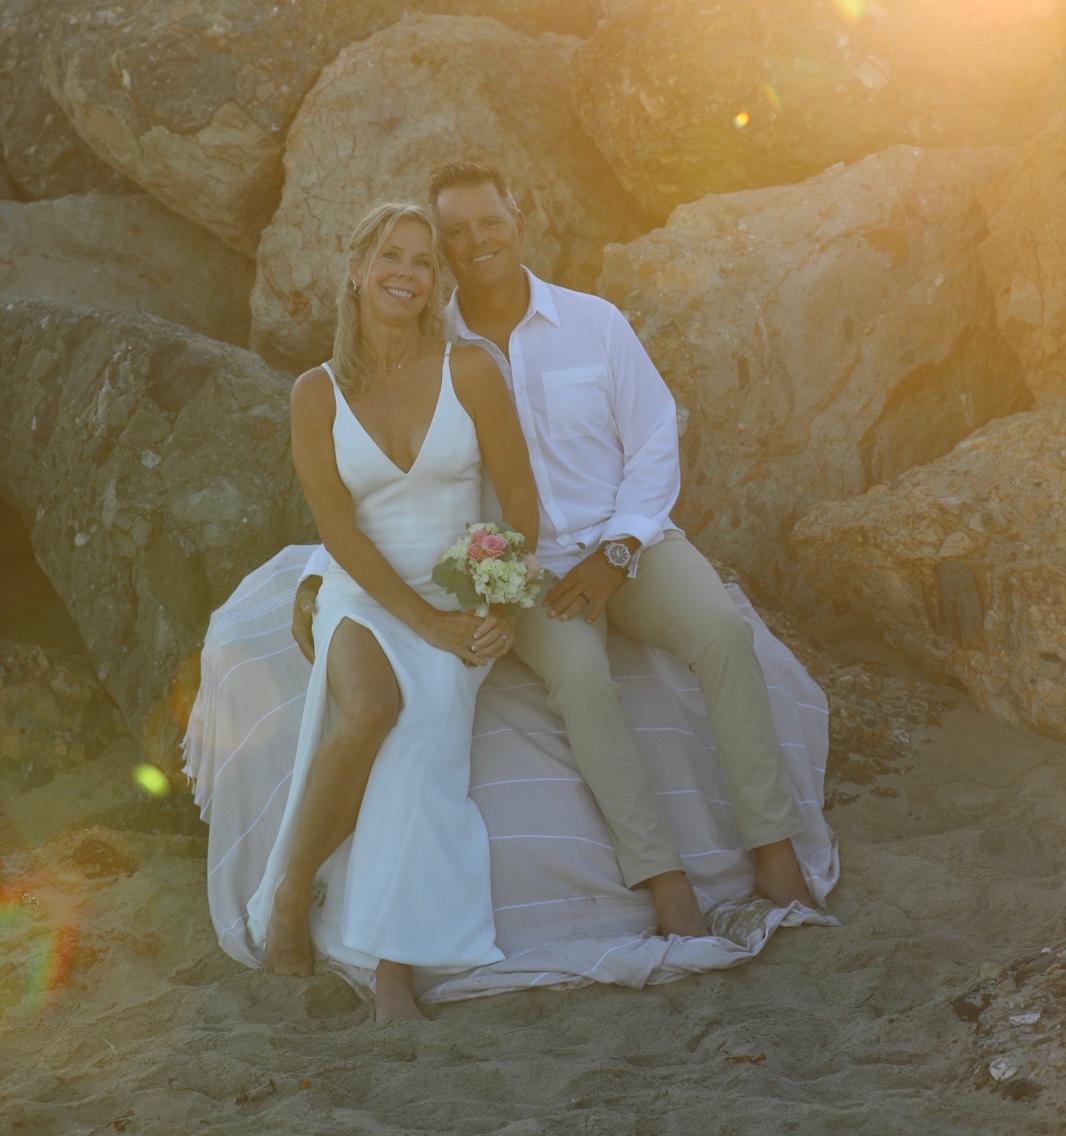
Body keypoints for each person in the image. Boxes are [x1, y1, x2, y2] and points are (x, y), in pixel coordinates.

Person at [294, 161, 811, 937]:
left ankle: (774, 849)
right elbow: (388, 483)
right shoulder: (435, 344)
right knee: (580, 674)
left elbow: (653, 438)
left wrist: (621, 548)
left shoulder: (593, 322)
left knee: (723, 633)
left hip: (627, 538)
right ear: (442, 253)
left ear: (520, 223)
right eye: (456, 233)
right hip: (519, 564)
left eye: (490, 222)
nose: (477, 241)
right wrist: (317, 571)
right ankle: (663, 878)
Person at [238, 200, 539, 1020]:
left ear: (437, 284)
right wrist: (424, 623)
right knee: (372, 705)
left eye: (423, 263)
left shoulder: (469, 370)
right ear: (356, 270)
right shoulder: (316, 393)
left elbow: (518, 497)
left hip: (455, 592)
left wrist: (497, 603)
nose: (407, 274)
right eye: (391, 257)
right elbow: (338, 531)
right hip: (361, 591)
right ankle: (292, 890)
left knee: (425, 734)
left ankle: (392, 964)